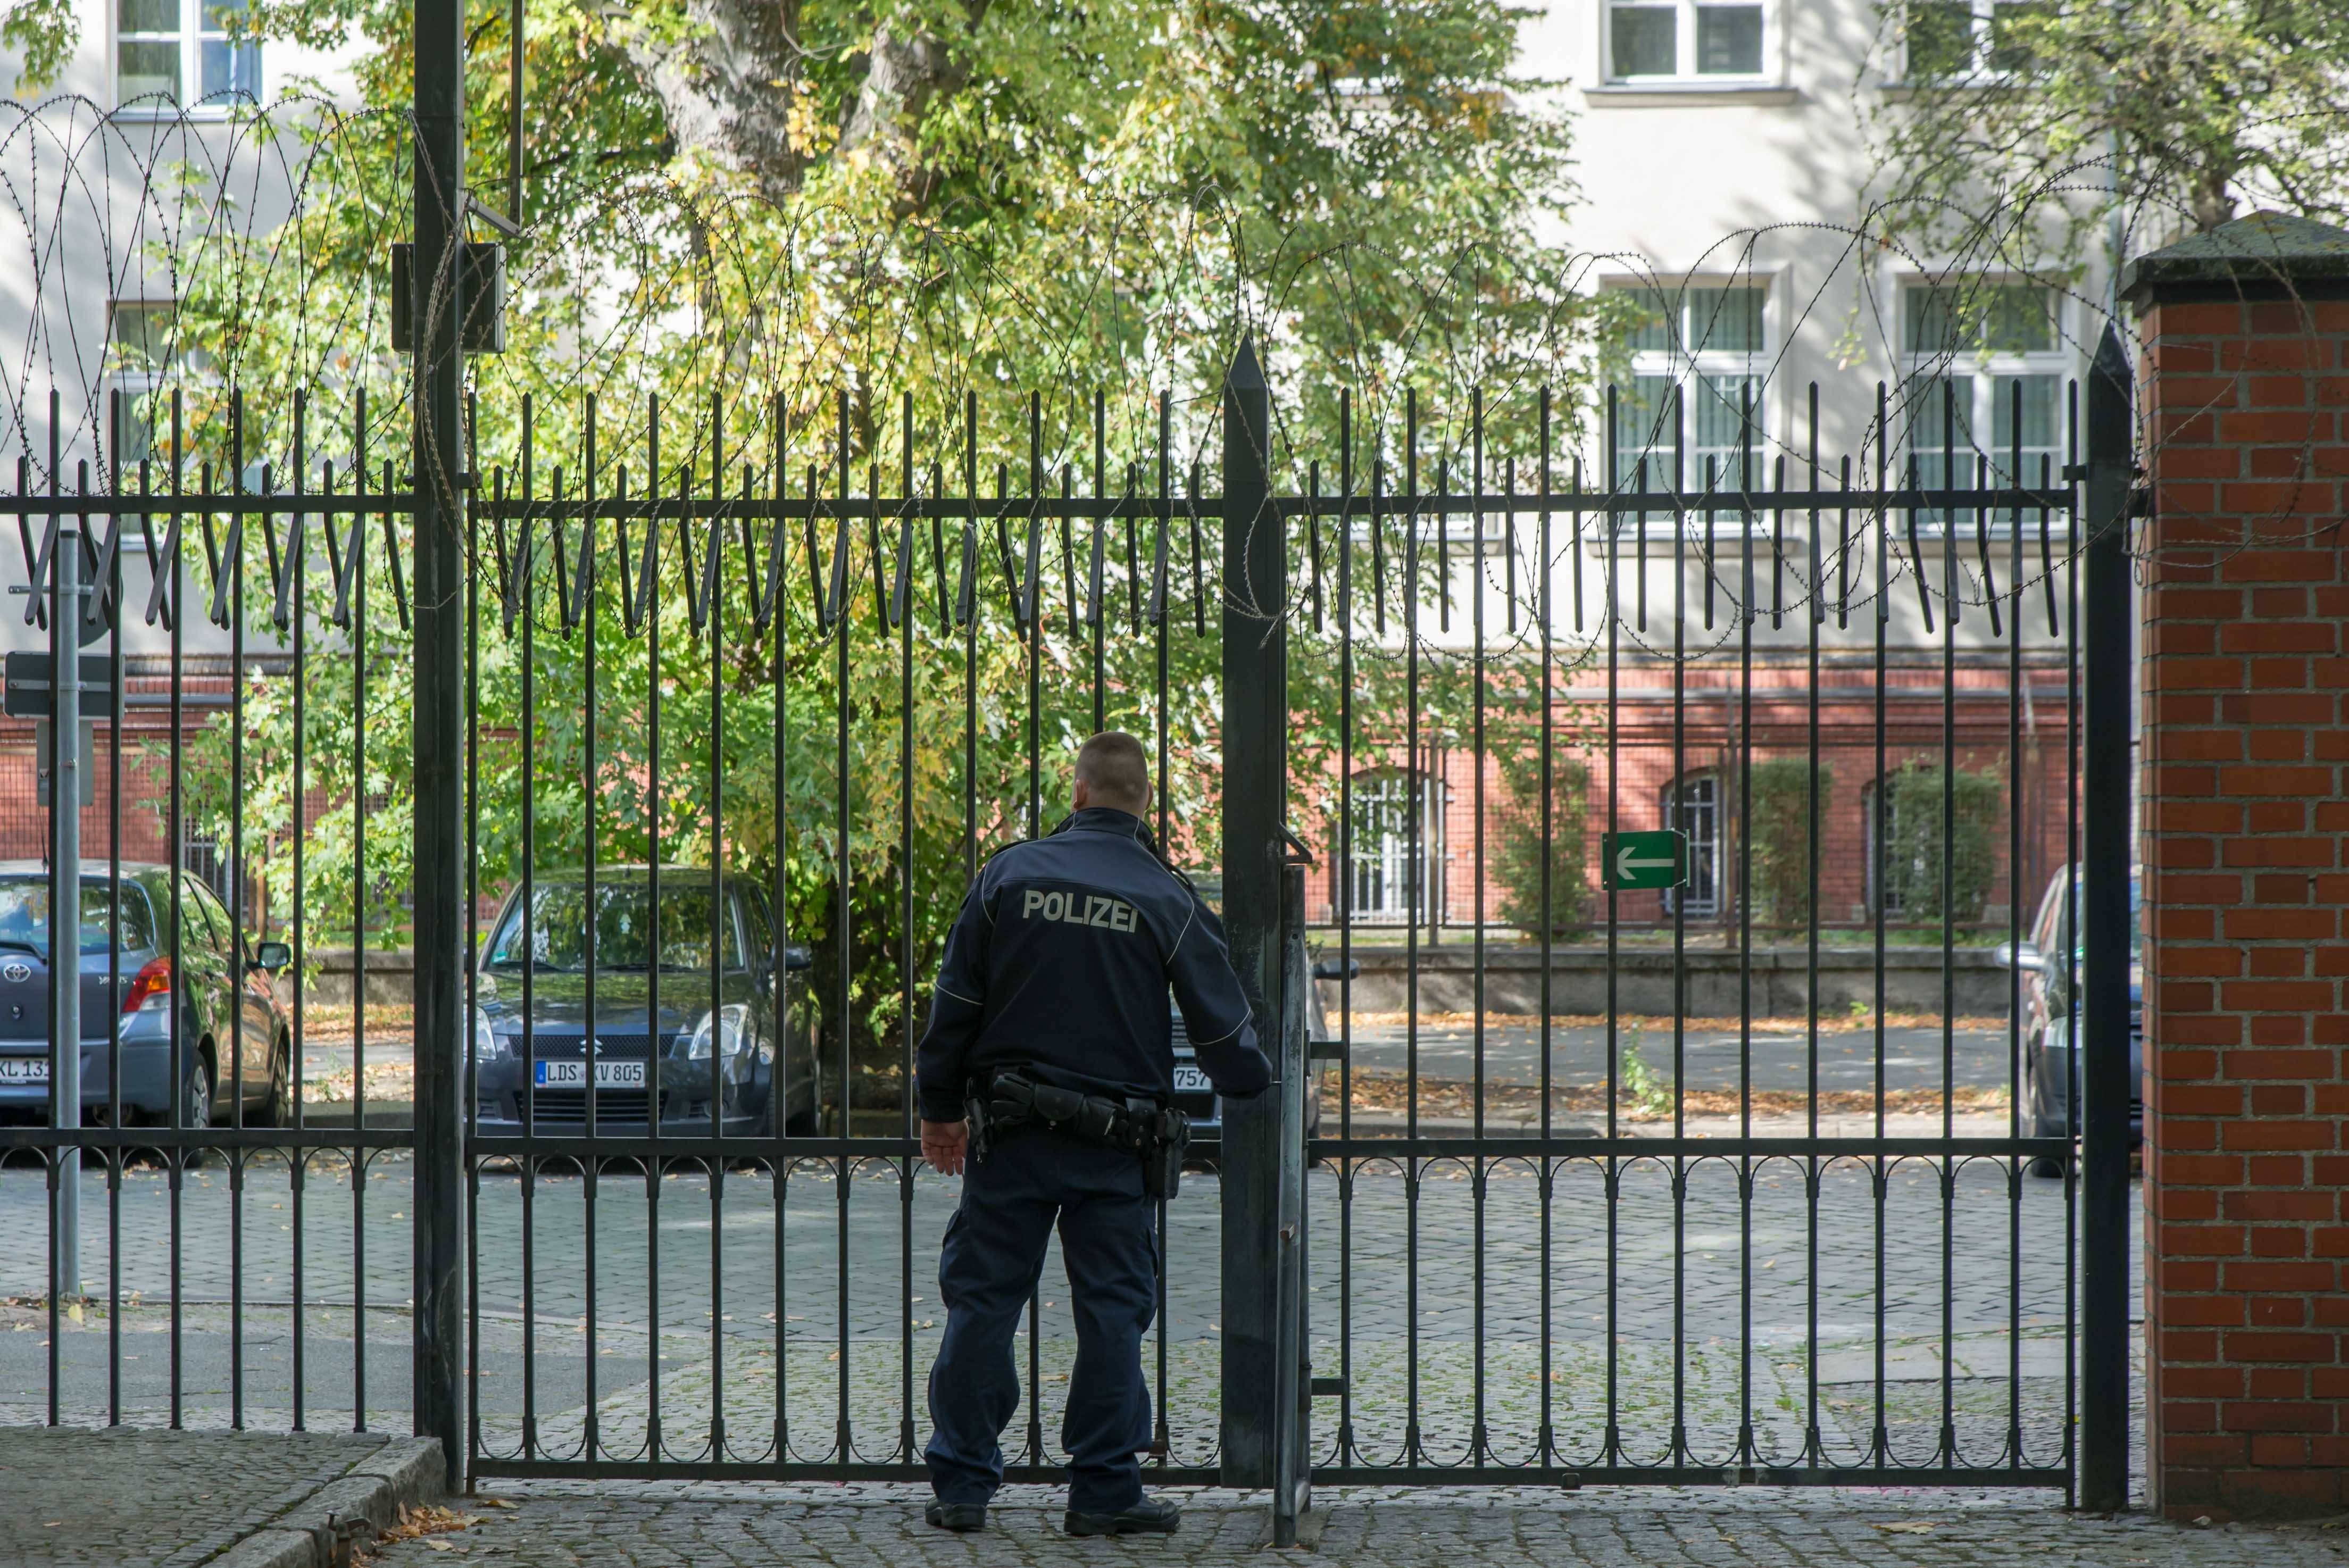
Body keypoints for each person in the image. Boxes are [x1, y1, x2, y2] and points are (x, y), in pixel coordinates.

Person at [915, 730, 1272, 1537]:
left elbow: (955, 1006)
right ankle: (1105, 1490)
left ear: (1077, 793)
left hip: (1009, 1137)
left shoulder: (1011, 874)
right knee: (1111, 1313)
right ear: (1144, 802)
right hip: (1116, 1147)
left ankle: (964, 1486)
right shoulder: (1166, 896)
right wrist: (1256, 1085)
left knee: (982, 1304)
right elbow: (1225, 1037)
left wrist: (938, 1108)